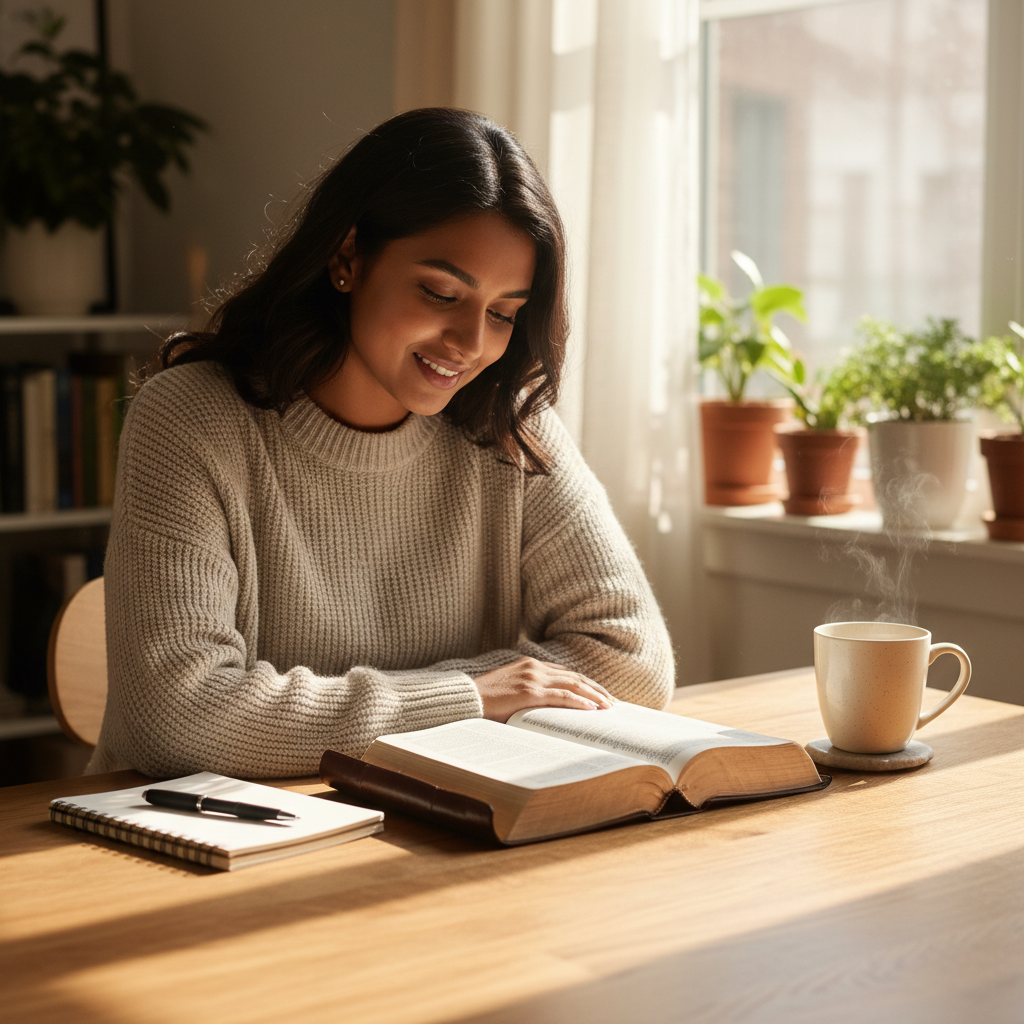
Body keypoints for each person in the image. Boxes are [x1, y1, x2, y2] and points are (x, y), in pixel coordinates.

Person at [87, 108, 674, 779]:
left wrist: (446, 703)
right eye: (440, 292)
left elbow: (632, 660)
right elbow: (176, 717)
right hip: (185, 838)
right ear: (347, 257)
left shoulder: (506, 425)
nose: (471, 344)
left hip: (409, 820)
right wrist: (469, 699)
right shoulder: (190, 420)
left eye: (504, 313)